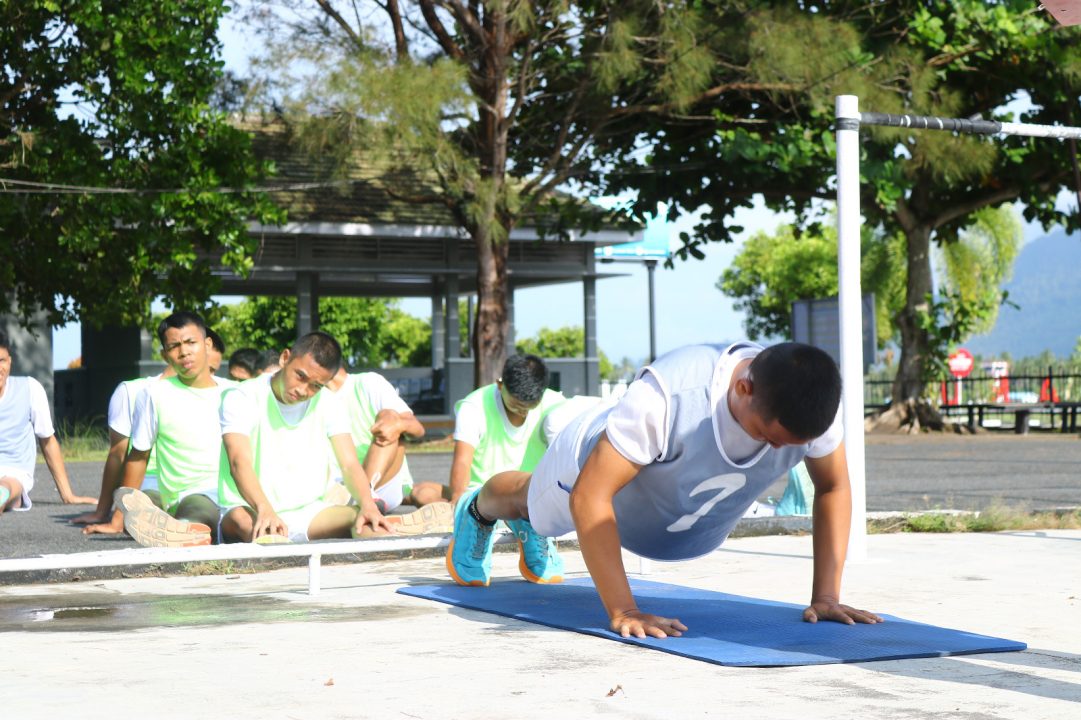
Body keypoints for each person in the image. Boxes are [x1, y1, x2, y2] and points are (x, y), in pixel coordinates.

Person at [446, 342, 882, 639]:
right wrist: (623, 610)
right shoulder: (667, 398)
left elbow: (833, 485)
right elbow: (589, 497)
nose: (778, 454)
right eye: (770, 439)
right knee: (528, 501)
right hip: (588, 462)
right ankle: (478, 510)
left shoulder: (810, 403)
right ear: (742, 388)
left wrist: (826, 597)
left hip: (669, 512)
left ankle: (528, 529)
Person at [218, 332, 394, 543]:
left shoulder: (330, 402)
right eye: (300, 376)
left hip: (310, 511)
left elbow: (349, 463)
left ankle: (394, 529)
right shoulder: (240, 397)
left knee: (366, 522)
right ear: (285, 358)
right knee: (266, 538)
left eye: (316, 386)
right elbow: (239, 462)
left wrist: (367, 504)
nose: (303, 390)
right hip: (250, 507)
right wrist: (265, 509)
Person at [98, 312, 233, 546]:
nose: (184, 352)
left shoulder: (236, 392)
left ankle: (176, 530)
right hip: (188, 495)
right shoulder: (153, 394)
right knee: (195, 508)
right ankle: (180, 530)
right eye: (174, 346)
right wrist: (119, 517)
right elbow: (138, 456)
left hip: (234, 496)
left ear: (207, 344)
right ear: (164, 354)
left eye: (191, 342)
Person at [408, 354, 564, 507]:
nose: (523, 412)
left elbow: (563, 460)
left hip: (529, 493)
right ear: (500, 385)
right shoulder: (473, 407)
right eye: (516, 405)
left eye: (529, 407)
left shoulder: (556, 405)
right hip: (483, 495)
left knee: (424, 494)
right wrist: (458, 502)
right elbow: (462, 461)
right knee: (423, 495)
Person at [0, 330, 95, 514]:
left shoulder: (29, 389)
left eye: (1, 361)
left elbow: (48, 441)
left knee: (7, 485)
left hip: (13, 475)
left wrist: (68, 496)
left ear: (9, 361)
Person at [71, 365, 177, 528]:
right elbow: (117, 454)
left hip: (195, 481)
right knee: (148, 509)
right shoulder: (131, 391)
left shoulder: (217, 390)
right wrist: (103, 512)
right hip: (148, 480)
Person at [324, 366, 429, 510]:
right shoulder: (308, 398)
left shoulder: (368, 383)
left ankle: (363, 495)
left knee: (389, 420)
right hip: (333, 490)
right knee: (424, 492)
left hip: (378, 484)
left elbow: (417, 428)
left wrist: (395, 424)